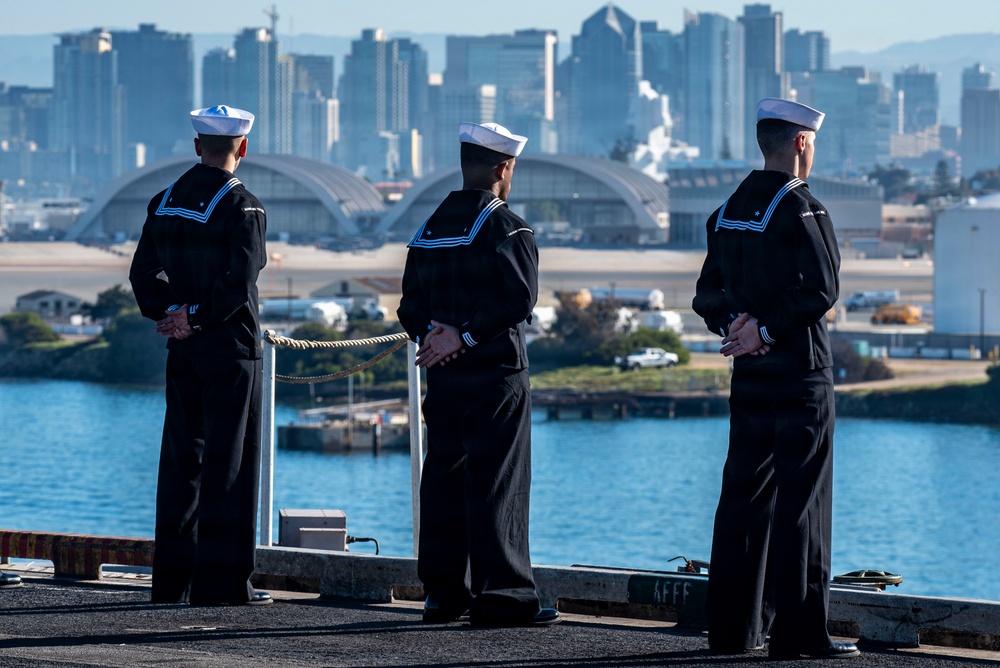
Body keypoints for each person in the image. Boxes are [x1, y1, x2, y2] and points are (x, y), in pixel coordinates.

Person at [692, 98, 859, 659]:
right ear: (801, 144)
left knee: (742, 498)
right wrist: (765, 328)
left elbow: (706, 294)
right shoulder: (802, 208)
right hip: (799, 374)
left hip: (749, 377)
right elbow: (821, 290)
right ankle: (801, 633)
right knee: (802, 503)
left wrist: (735, 328)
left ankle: (733, 631)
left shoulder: (726, 211)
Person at [396, 122, 559, 627]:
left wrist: (437, 335)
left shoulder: (428, 228)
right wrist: (465, 335)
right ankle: (504, 596)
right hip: (495, 374)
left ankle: (443, 595)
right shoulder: (508, 228)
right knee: (499, 482)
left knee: (443, 477)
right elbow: (518, 300)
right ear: (502, 169)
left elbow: (409, 306)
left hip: (443, 376)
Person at [129, 105, 270, 606]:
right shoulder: (244, 206)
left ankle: (172, 581)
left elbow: (142, 275)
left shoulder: (163, 201)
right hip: (230, 348)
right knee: (229, 464)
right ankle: (223, 586)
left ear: (197, 146)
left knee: (181, 461)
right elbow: (240, 280)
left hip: (182, 347)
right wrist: (198, 314)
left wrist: (172, 315)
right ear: (243, 147)